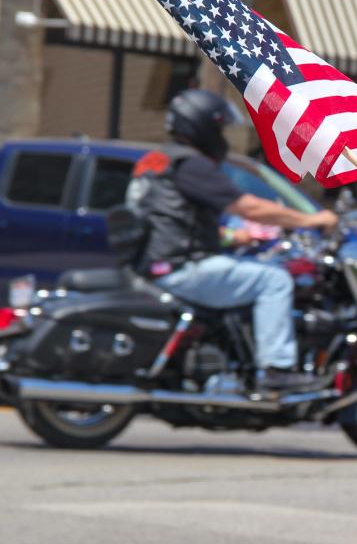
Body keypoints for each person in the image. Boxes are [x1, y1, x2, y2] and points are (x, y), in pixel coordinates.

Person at [127, 89, 338, 392]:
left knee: (248, 271)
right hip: (182, 266)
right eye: (219, 127)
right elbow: (248, 207)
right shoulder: (191, 164)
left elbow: (173, 219)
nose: (221, 136)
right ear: (202, 126)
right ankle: (276, 370)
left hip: (157, 263)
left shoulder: (156, 161)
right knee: (275, 281)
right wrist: (311, 220)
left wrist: (232, 237)